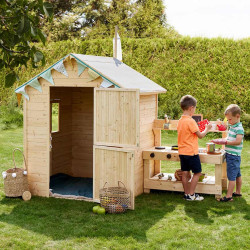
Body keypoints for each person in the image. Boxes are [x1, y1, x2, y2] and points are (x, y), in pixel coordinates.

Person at [177, 95, 212, 201]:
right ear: (191, 108)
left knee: (185, 173)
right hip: (191, 152)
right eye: (195, 108)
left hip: (182, 152)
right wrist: (207, 129)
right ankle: (192, 194)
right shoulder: (191, 121)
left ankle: (187, 194)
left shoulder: (180, 120)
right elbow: (200, 136)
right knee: (197, 173)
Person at [212, 104, 244, 202]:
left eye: (230, 119)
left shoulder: (239, 128)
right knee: (237, 175)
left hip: (233, 156)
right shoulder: (233, 126)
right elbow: (230, 138)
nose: (228, 122)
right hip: (233, 156)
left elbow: (238, 141)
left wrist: (225, 142)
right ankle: (238, 192)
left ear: (237, 116)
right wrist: (221, 140)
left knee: (231, 177)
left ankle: (229, 196)